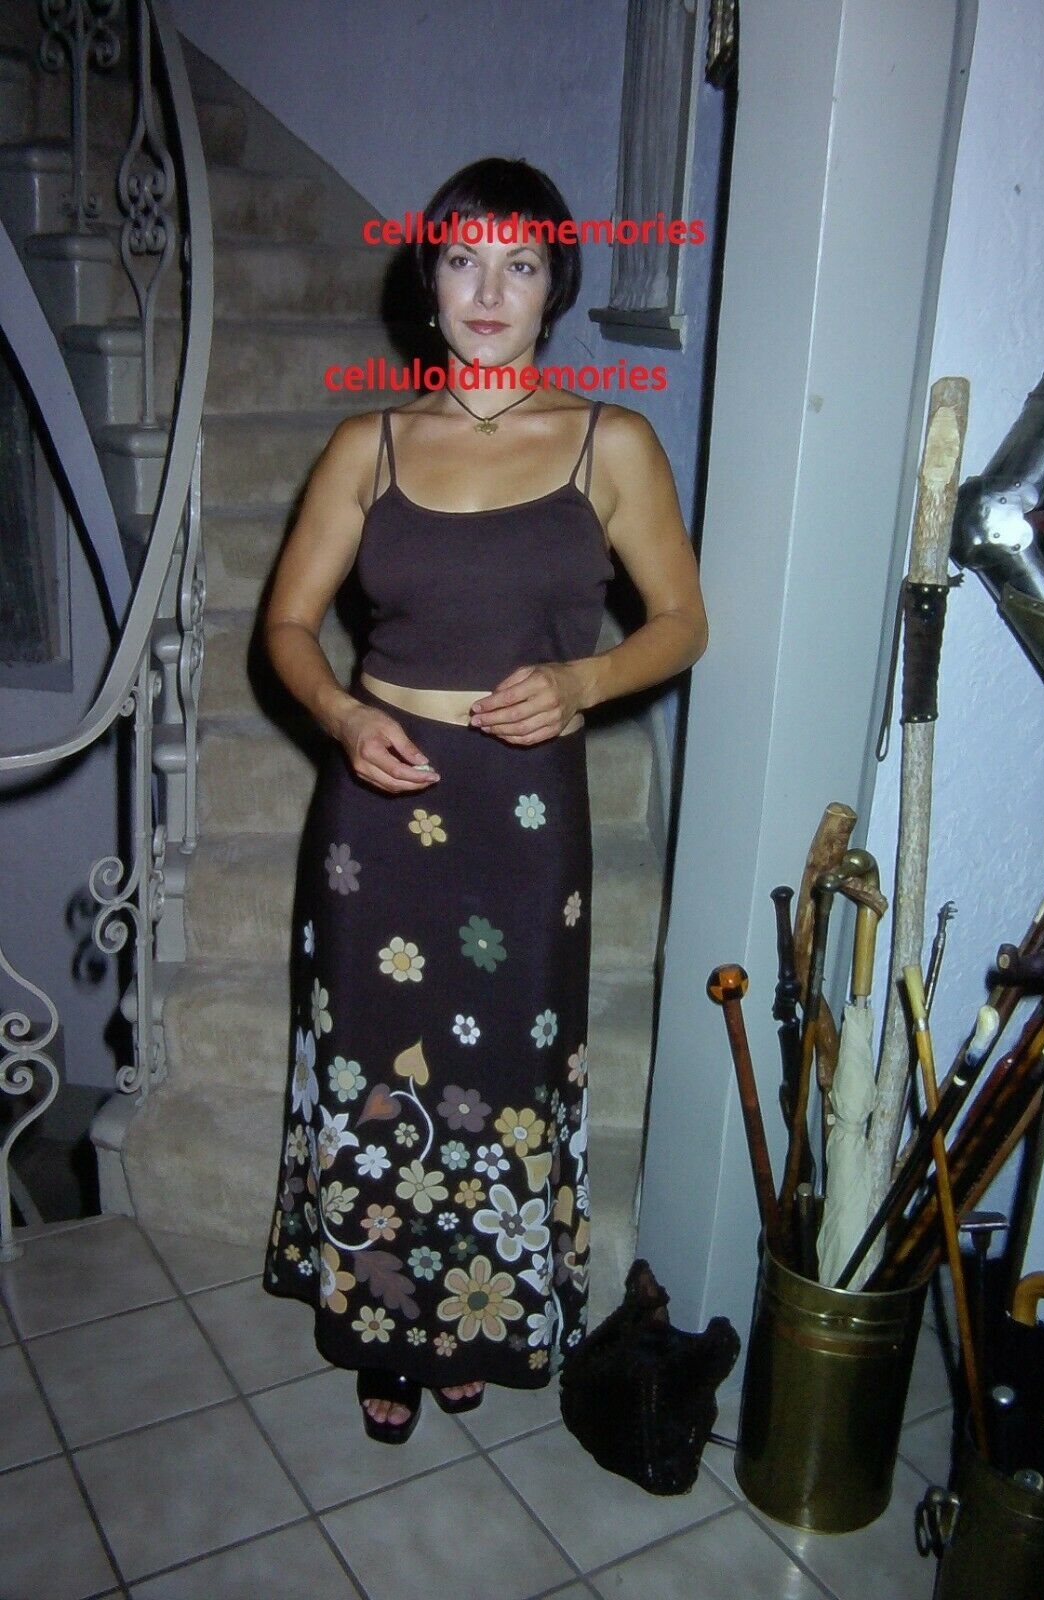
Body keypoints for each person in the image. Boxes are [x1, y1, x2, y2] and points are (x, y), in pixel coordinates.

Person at [261, 157, 707, 1445]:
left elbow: (682, 621)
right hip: (378, 808)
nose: (490, 291)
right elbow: (285, 626)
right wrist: (343, 714)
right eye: (464, 260)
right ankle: (387, 1327)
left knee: (504, 1061)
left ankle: (477, 1313)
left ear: (557, 282)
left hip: (522, 816)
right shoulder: (368, 444)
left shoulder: (613, 441)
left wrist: (583, 681)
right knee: (375, 1061)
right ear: (431, 277)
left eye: (521, 263)